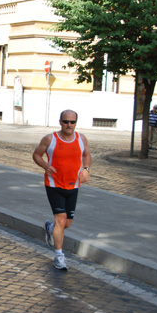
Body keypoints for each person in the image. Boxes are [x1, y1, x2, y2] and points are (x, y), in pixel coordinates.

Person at [32, 109, 91, 271]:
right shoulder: (50, 139)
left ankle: (50, 229)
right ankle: (59, 255)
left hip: (73, 185)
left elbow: (86, 155)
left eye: (72, 122)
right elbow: (36, 155)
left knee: (68, 223)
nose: (69, 125)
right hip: (54, 184)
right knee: (61, 220)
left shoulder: (81, 139)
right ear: (60, 122)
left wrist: (86, 169)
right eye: (66, 122)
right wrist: (45, 166)